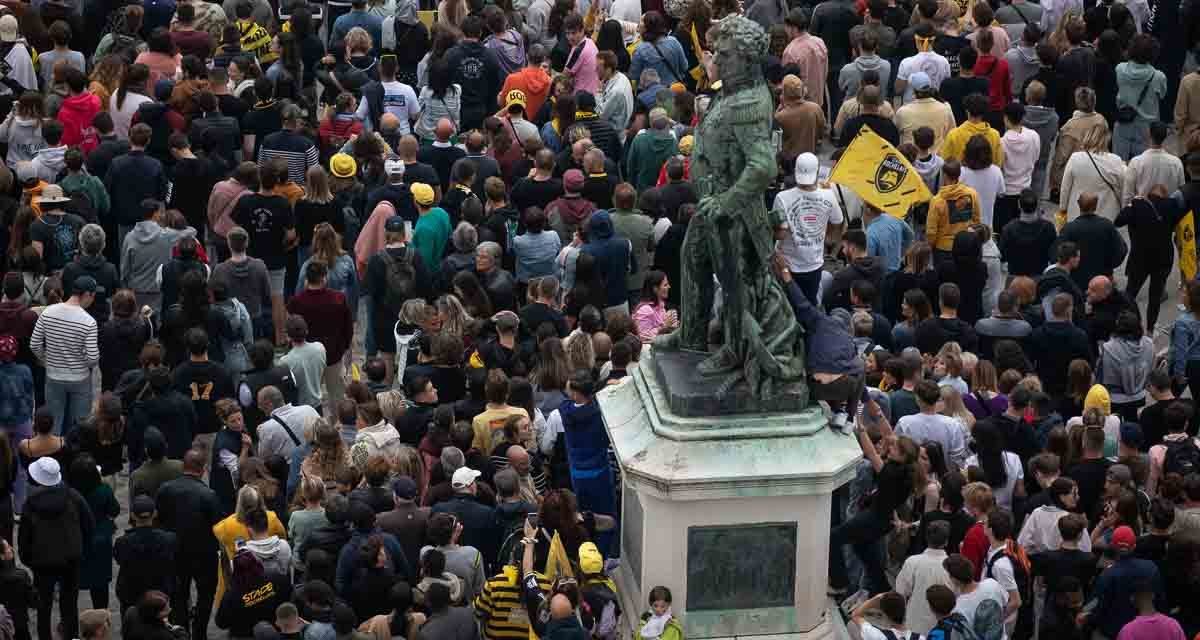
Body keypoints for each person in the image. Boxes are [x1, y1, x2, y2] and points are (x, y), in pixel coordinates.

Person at [20, 457, 95, 640]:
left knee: (43, 607)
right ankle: (72, 637)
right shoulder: (73, 496)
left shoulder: (30, 504)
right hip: (70, 559)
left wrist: (28, 560)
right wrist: (80, 549)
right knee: (70, 605)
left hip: (42, 563)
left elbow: (24, 538)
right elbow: (89, 525)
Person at [30, 276, 99, 436]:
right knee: (78, 425)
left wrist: (47, 360)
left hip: (53, 377)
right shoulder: (89, 322)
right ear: (87, 295)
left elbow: (34, 344)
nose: (93, 300)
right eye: (94, 296)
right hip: (80, 379)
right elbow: (93, 358)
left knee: (54, 424)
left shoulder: (48, 313)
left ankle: (55, 455)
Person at [772, 153, 843, 305]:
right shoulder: (828, 195)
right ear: (817, 172)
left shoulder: (782, 197)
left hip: (786, 263)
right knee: (808, 305)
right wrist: (826, 237)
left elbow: (781, 234)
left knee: (786, 306)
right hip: (814, 263)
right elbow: (838, 221)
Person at [1058, 194, 1128, 292]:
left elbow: (1058, 253)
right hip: (1102, 279)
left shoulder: (1070, 228)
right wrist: (1109, 266)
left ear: (1078, 204)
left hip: (1076, 280)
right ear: (1095, 206)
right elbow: (1122, 249)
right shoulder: (1107, 225)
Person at [925, 161, 981, 258]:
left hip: (943, 248)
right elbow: (976, 220)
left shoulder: (937, 201)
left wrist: (931, 245)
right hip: (966, 244)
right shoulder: (972, 194)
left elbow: (931, 230)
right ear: (959, 174)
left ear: (945, 175)